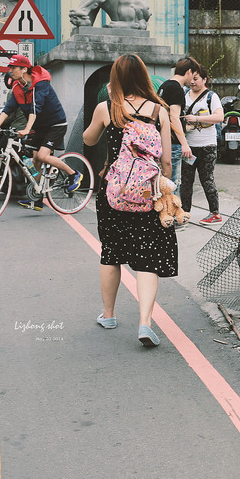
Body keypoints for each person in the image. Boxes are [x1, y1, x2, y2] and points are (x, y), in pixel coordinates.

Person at [82, 53, 177, 347]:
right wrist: (167, 191)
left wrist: (110, 102)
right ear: (144, 77)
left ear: (116, 79)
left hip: (114, 191)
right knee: (147, 257)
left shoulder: (106, 108)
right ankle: (145, 323)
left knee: (111, 253)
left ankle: (108, 315)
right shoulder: (159, 111)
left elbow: (87, 140)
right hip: (149, 192)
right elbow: (167, 160)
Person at [0, 54, 81, 210]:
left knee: (43, 155)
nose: (10, 71)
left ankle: (73, 174)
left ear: (24, 69)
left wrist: (27, 129)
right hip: (40, 127)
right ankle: (37, 197)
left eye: (13, 68)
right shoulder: (17, 86)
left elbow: (35, 108)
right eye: (10, 68)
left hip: (55, 124)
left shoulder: (40, 84)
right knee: (36, 160)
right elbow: (9, 108)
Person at [180, 66, 224, 225]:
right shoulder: (184, 94)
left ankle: (215, 213)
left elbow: (220, 117)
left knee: (207, 179)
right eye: (191, 78)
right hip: (189, 147)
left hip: (207, 146)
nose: (192, 82)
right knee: (186, 181)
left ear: (205, 79)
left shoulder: (211, 97)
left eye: (196, 79)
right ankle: (184, 214)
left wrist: (196, 119)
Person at [157, 56, 196, 203]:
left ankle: (163, 216)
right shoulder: (176, 89)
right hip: (172, 143)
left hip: (161, 140)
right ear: (189, 71)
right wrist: (184, 143)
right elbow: (174, 117)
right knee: (172, 182)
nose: (192, 79)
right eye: (193, 75)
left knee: (162, 182)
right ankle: (172, 219)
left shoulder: (164, 85)